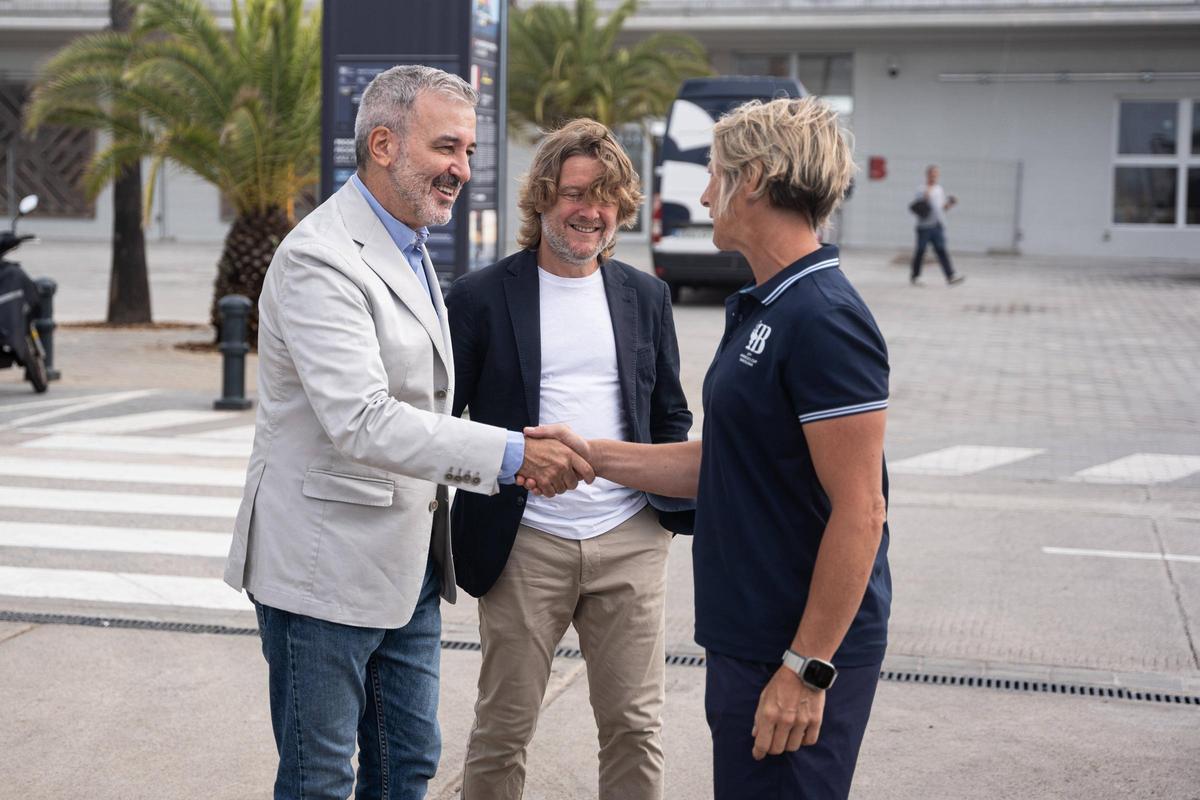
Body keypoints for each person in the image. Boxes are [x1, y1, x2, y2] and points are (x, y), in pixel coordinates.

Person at [223, 65, 591, 800]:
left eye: (469, 153)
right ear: (383, 143)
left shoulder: (413, 245)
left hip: (413, 564)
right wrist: (513, 453)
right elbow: (361, 418)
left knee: (409, 763)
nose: (462, 168)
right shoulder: (318, 258)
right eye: (447, 147)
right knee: (320, 780)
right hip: (322, 575)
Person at [522, 97, 892, 800]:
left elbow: (862, 512)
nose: (703, 192)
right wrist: (591, 454)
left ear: (753, 180)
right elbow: (724, 463)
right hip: (750, 644)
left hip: (790, 654)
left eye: (715, 173)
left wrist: (807, 667)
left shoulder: (824, 318)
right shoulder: (768, 304)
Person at [446, 118, 694, 800]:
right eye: (577, 194)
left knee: (635, 728)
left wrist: (664, 509)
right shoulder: (479, 298)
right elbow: (441, 427)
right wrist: (506, 464)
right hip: (525, 542)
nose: (592, 212)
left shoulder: (646, 295)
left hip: (629, 540)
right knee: (503, 728)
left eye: (607, 197)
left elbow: (670, 413)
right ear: (543, 199)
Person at [910, 164, 964, 286]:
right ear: (927, 175)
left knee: (941, 250)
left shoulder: (939, 189)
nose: (934, 176)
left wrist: (950, 204)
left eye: (936, 174)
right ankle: (915, 276)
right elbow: (920, 206)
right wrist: (927, 193)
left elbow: (941, 208)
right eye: (932, 174)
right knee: (920, 251)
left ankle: (950, 275)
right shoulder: (921, 189)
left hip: (937, 225)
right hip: (924, 227)